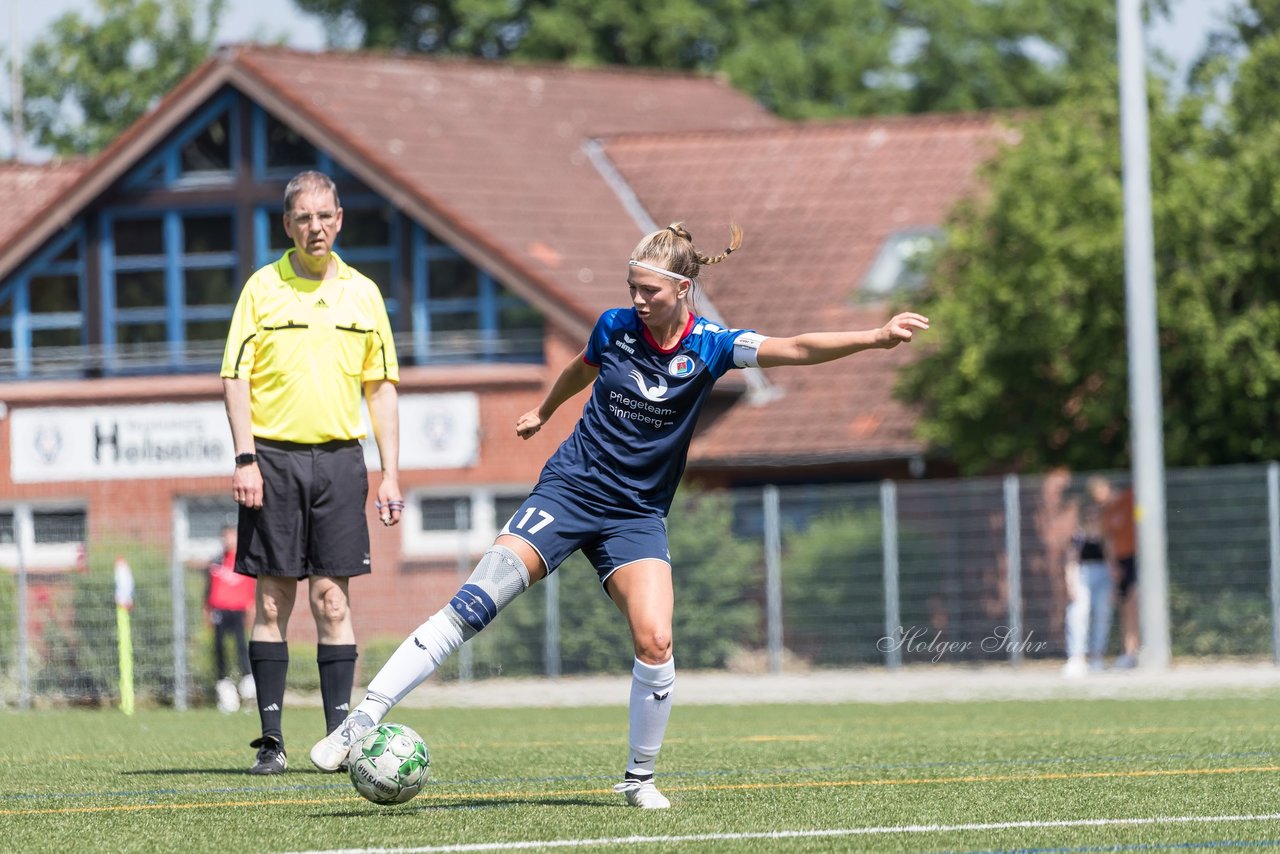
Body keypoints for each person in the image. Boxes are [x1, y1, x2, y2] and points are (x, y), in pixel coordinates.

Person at [309, 220, 929, 807]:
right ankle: (359, 721)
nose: (636, 299)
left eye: (648, 290)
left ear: (682, 290)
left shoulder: (713, 347)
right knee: (476, 601)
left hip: (635, 515)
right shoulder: (614, 327)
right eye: (632, 287)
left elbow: (794, 346)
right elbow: (579, 369)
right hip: (569, 491)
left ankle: (638, 777)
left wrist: (874, 337)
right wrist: (544, 413)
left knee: (656, 639)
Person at [220, 170, 403, 775]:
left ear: (340, 219)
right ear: (287, 224)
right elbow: (234, 378)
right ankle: (272, 742)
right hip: (271, 460)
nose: (315, 228)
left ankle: (339, 740)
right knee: (272, 599)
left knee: (330, 599)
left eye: (325, 217)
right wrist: (245, 458)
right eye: (304, 218)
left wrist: (390, 473)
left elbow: (380, 388)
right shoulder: (261, 289)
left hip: (341, 460)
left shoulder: (364, 294)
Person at [204, 524, 256, 713]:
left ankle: (247, 683)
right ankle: (224, 686)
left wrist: (251, 608)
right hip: (220, 610)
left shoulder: (245, 561)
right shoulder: (217, 562)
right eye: (225, 536)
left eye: (231, 536)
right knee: (220, 649)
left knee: (241, 646)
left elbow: (251, 588)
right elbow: (209, 587)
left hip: (239, 610)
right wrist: (208, 609)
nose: (228, 540)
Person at [1090, 476, 1138, 668]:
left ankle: (1136, 650)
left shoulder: (1129, 498)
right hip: (1121, 561)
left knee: (1135, 603)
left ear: (1106, 488)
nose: (1097, 499)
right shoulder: (1106, 513)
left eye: (1098, 494)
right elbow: (1107, 541)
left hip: (1136, 557)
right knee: (1126, 606)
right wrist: (1112, 566)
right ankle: (1129, 652)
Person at [1062, 502, 1113, 677]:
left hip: (1103, 575)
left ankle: (1097, 657)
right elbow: (1071, 561)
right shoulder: (1078, 537)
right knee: (1077, 614)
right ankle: (1076, 657)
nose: (1092, 518)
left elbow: (1111, 560)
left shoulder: (1105, 536)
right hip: (1082, 574)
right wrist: (1070, 583)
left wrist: (1113, 585)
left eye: (1095, 515)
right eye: (1089, 515)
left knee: (1102, 614)